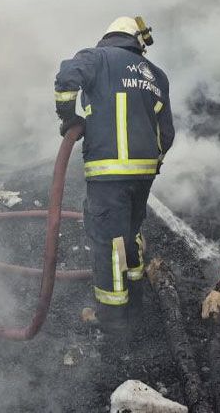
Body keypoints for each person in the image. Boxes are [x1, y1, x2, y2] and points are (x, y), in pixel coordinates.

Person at [53, 17, 175, 334]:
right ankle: (134, 293)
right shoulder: (155, 75)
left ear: (109, 36)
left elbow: (67, 78)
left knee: (108, 241)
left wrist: (69, 118)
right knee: (128, 233)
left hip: (107, 175)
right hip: (143, 175)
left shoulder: (98, 57)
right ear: (136, 40)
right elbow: (167, 132)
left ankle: (113, 320)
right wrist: (152, 164)